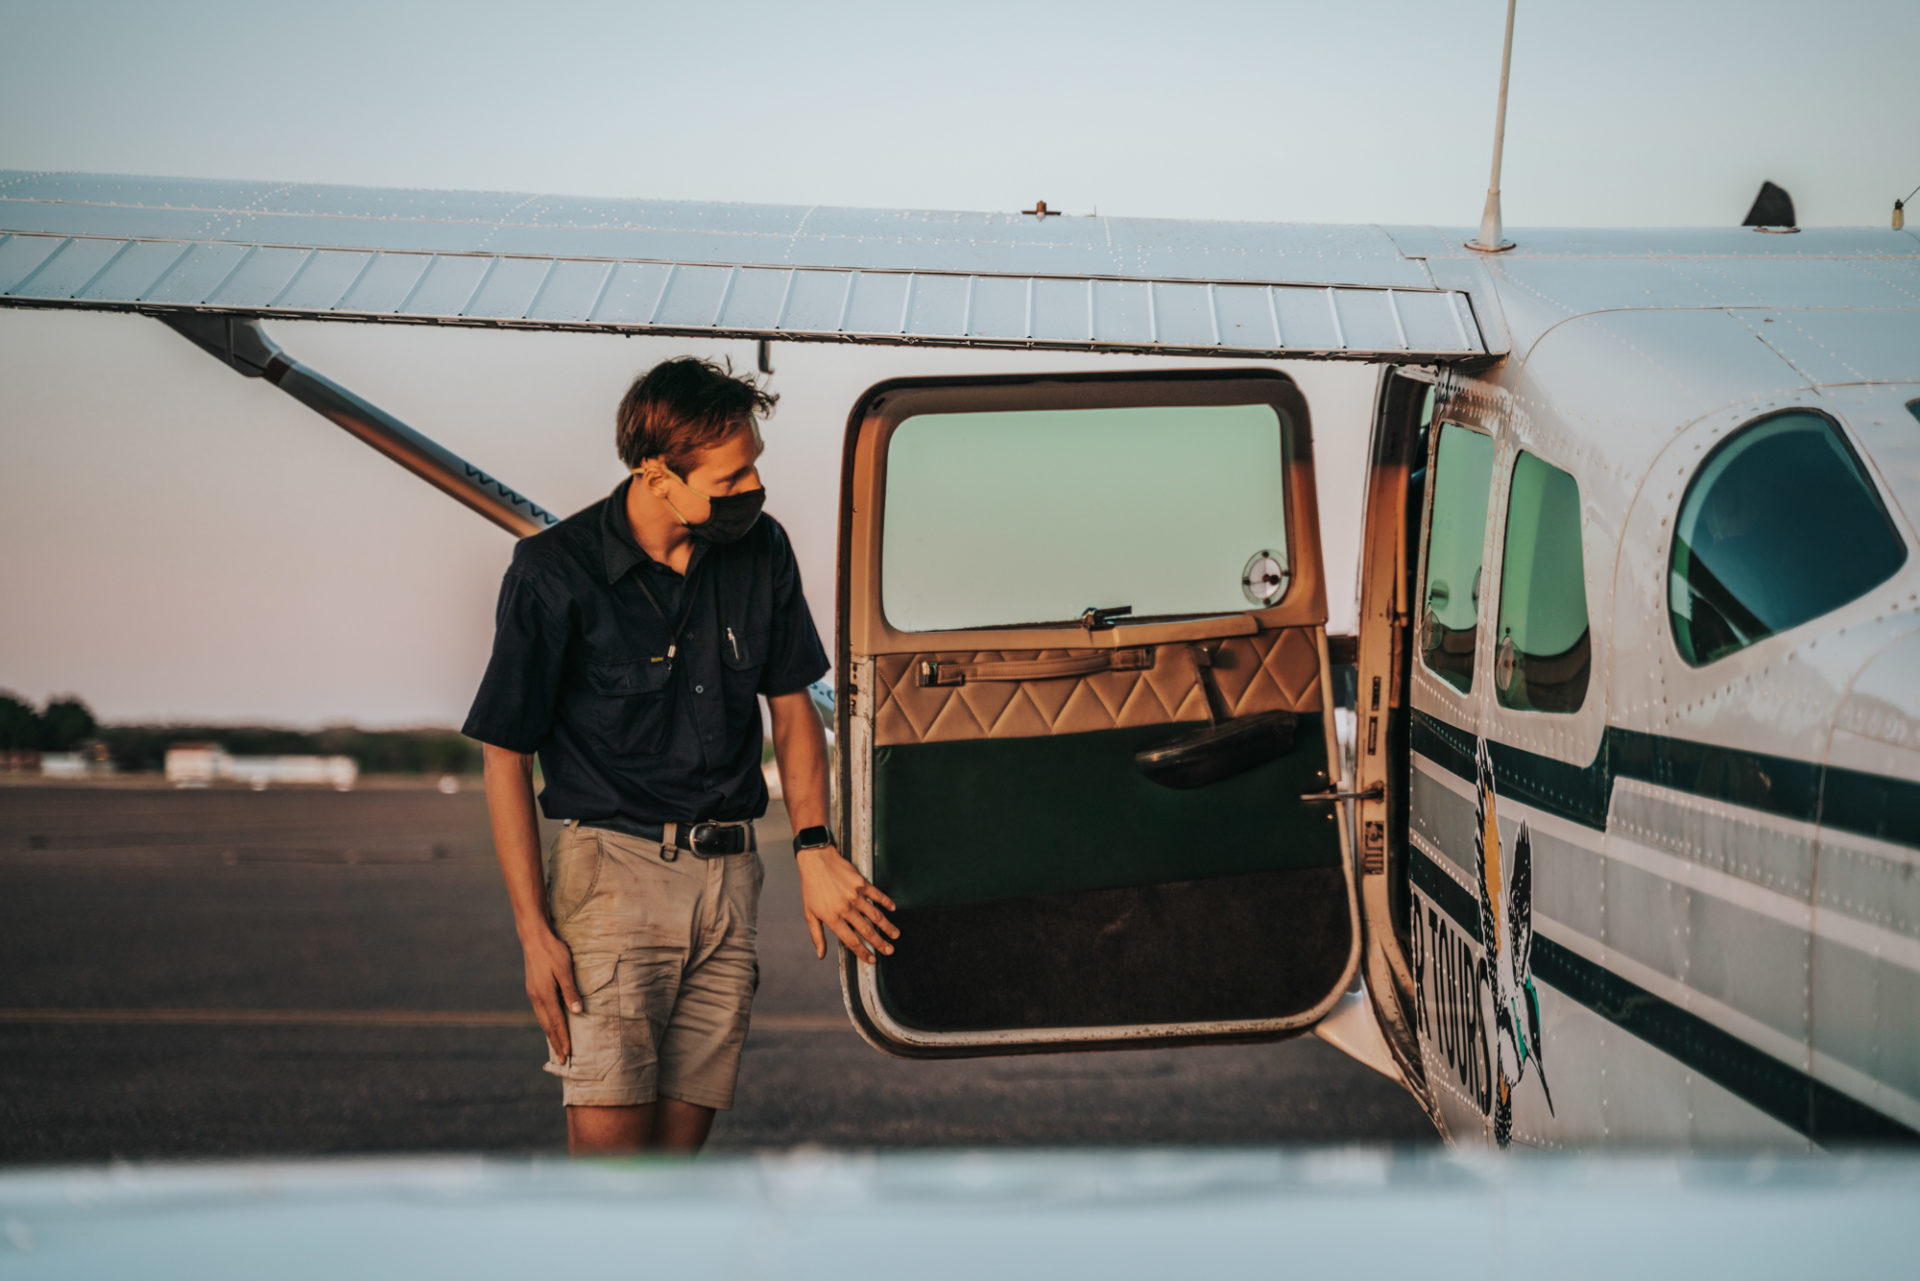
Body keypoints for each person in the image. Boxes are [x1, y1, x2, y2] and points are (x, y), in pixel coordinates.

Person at [462, 356, 898, 1155]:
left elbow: (793, 705)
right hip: (613, 881)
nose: (753, 488)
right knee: (614, 1190)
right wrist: (533, 930)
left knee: (674, 1176)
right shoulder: (553, 574)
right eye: (732, 477)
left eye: (755, 464)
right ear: (657, 475)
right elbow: (503, 758)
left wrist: (813, 845)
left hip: (730, 885)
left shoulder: (762, 550)